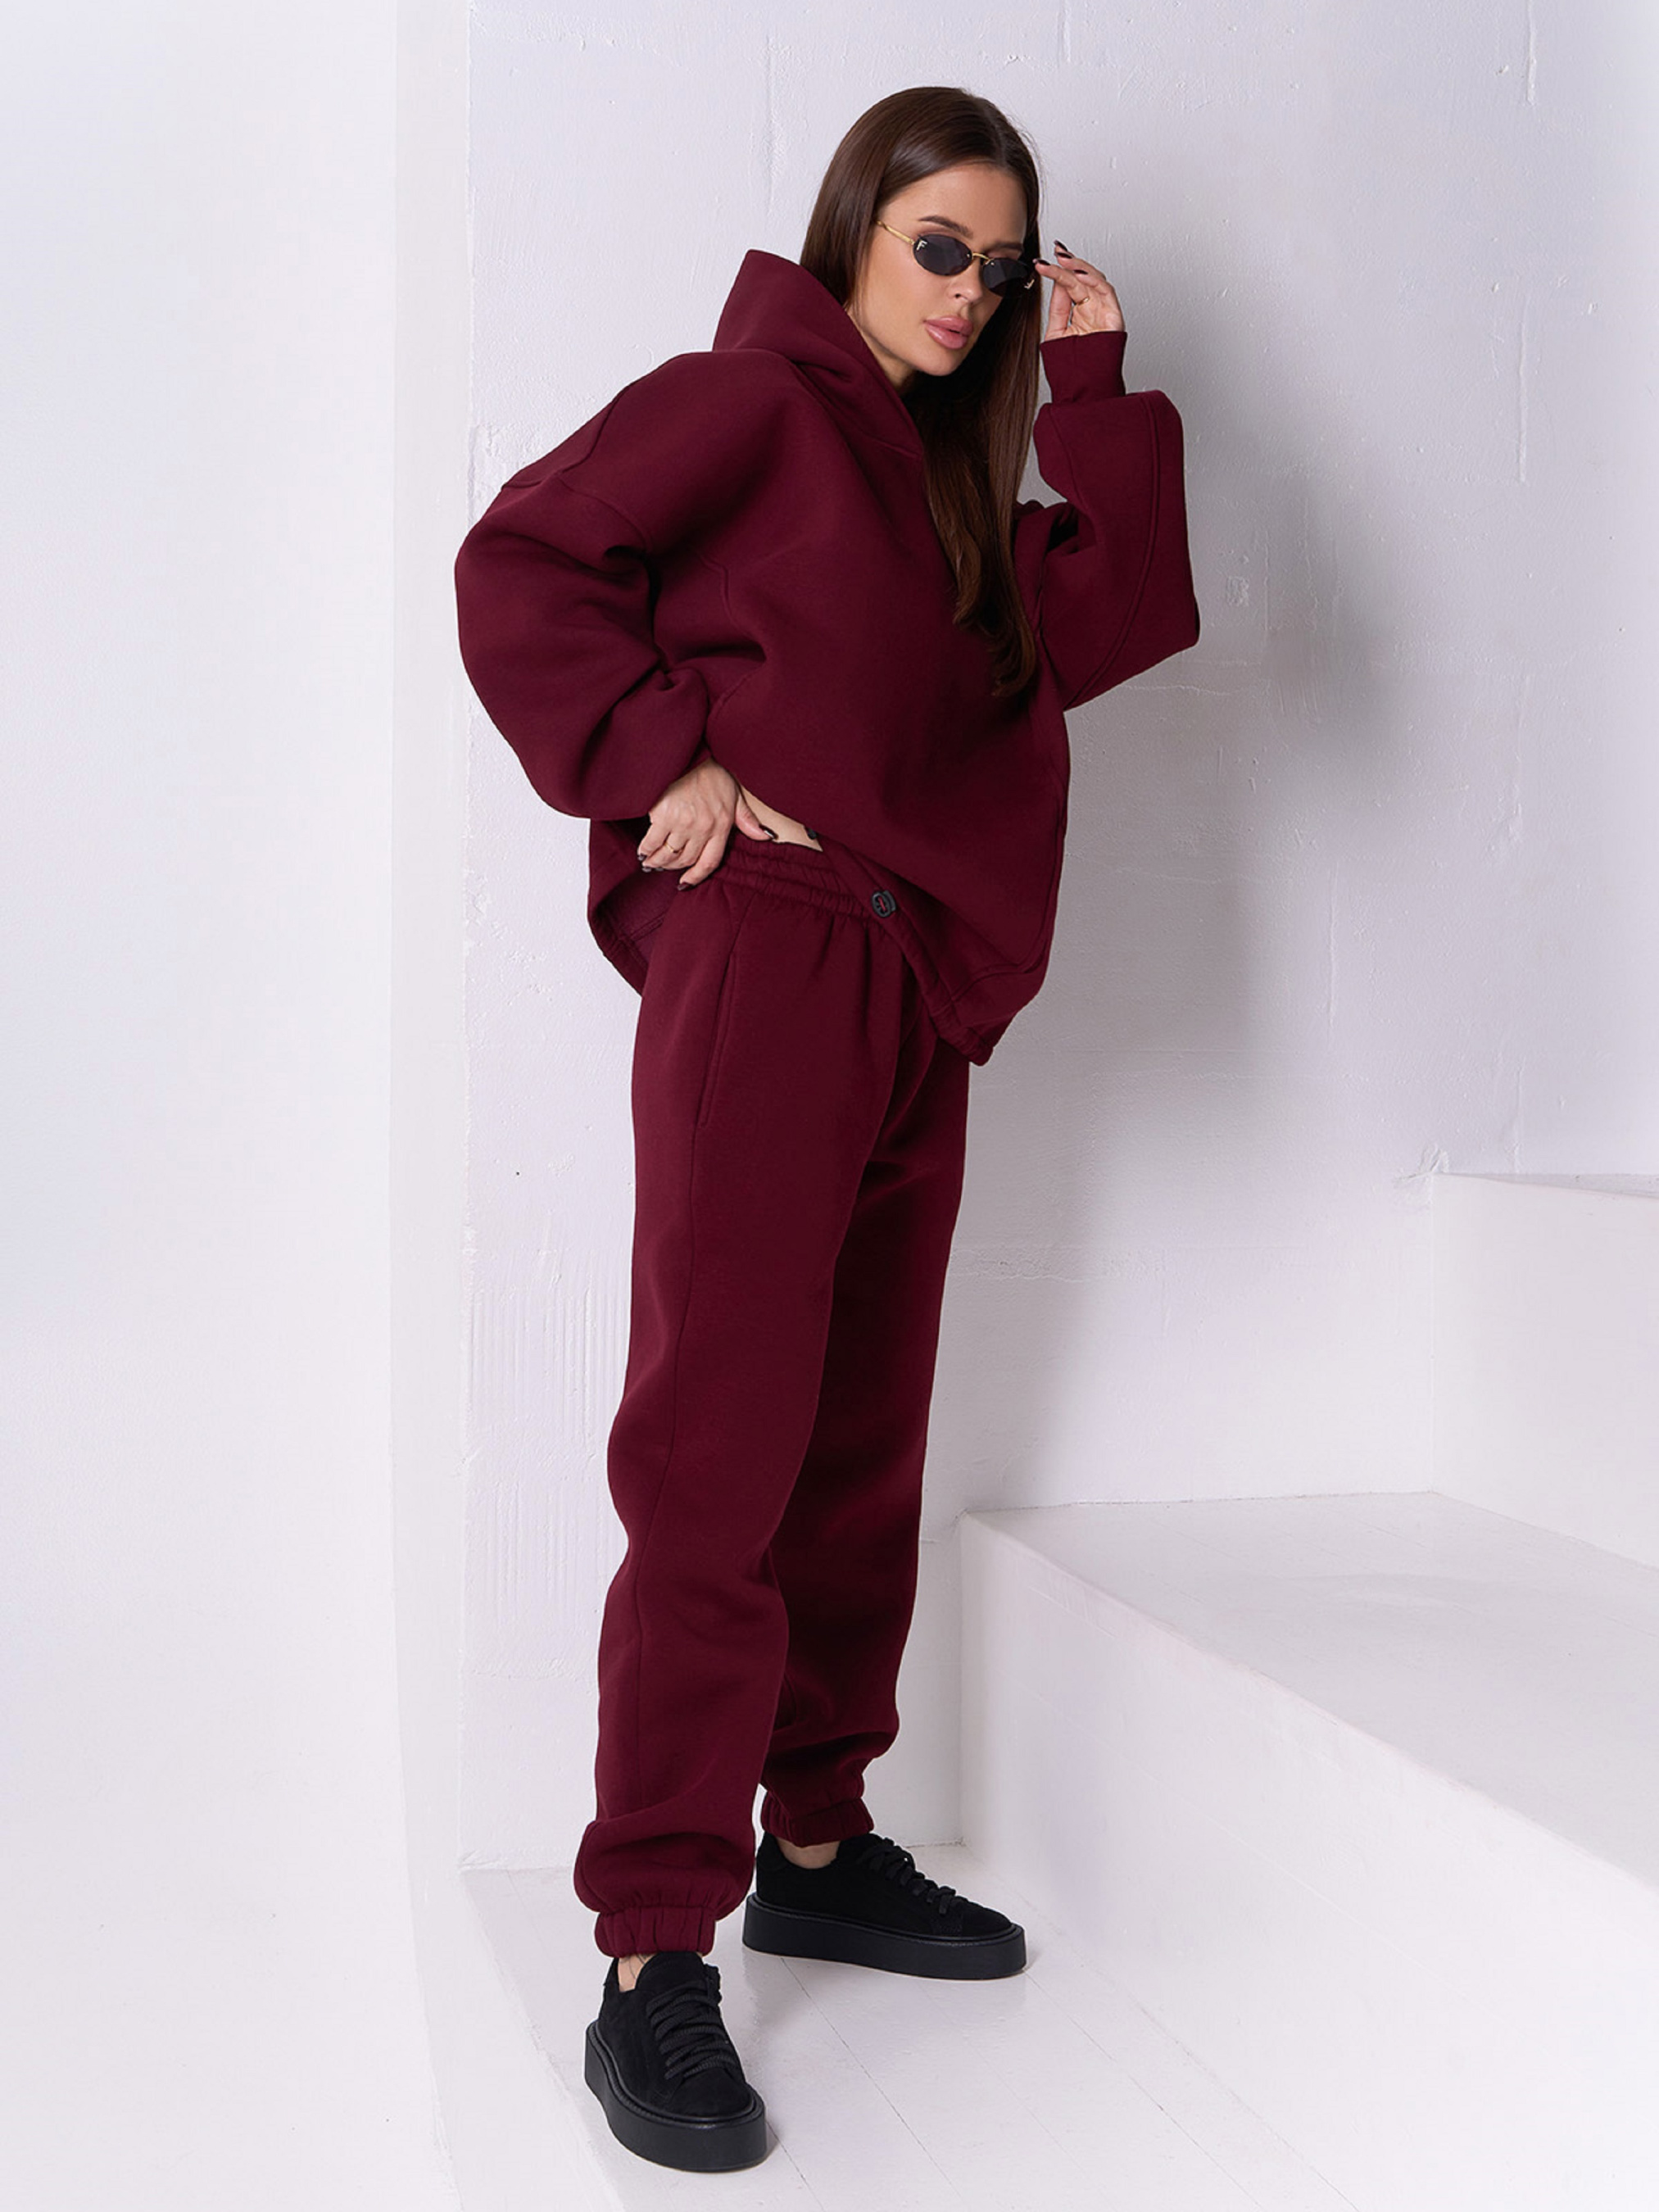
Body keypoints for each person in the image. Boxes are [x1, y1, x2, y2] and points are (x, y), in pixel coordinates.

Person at [453, 84, 1200, 2175]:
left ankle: (813, 1837)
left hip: (907, 994)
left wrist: (1088, 389)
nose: (964, 291)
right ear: (854, 229)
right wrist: (654, 760)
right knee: (716, 1455)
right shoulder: (752, 403)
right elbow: (521, 556)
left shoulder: (953, 496)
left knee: (856, 1444)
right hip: (766, 963)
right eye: (934, 245)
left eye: (997, 261)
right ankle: (648, 1952)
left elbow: (1119, 618)